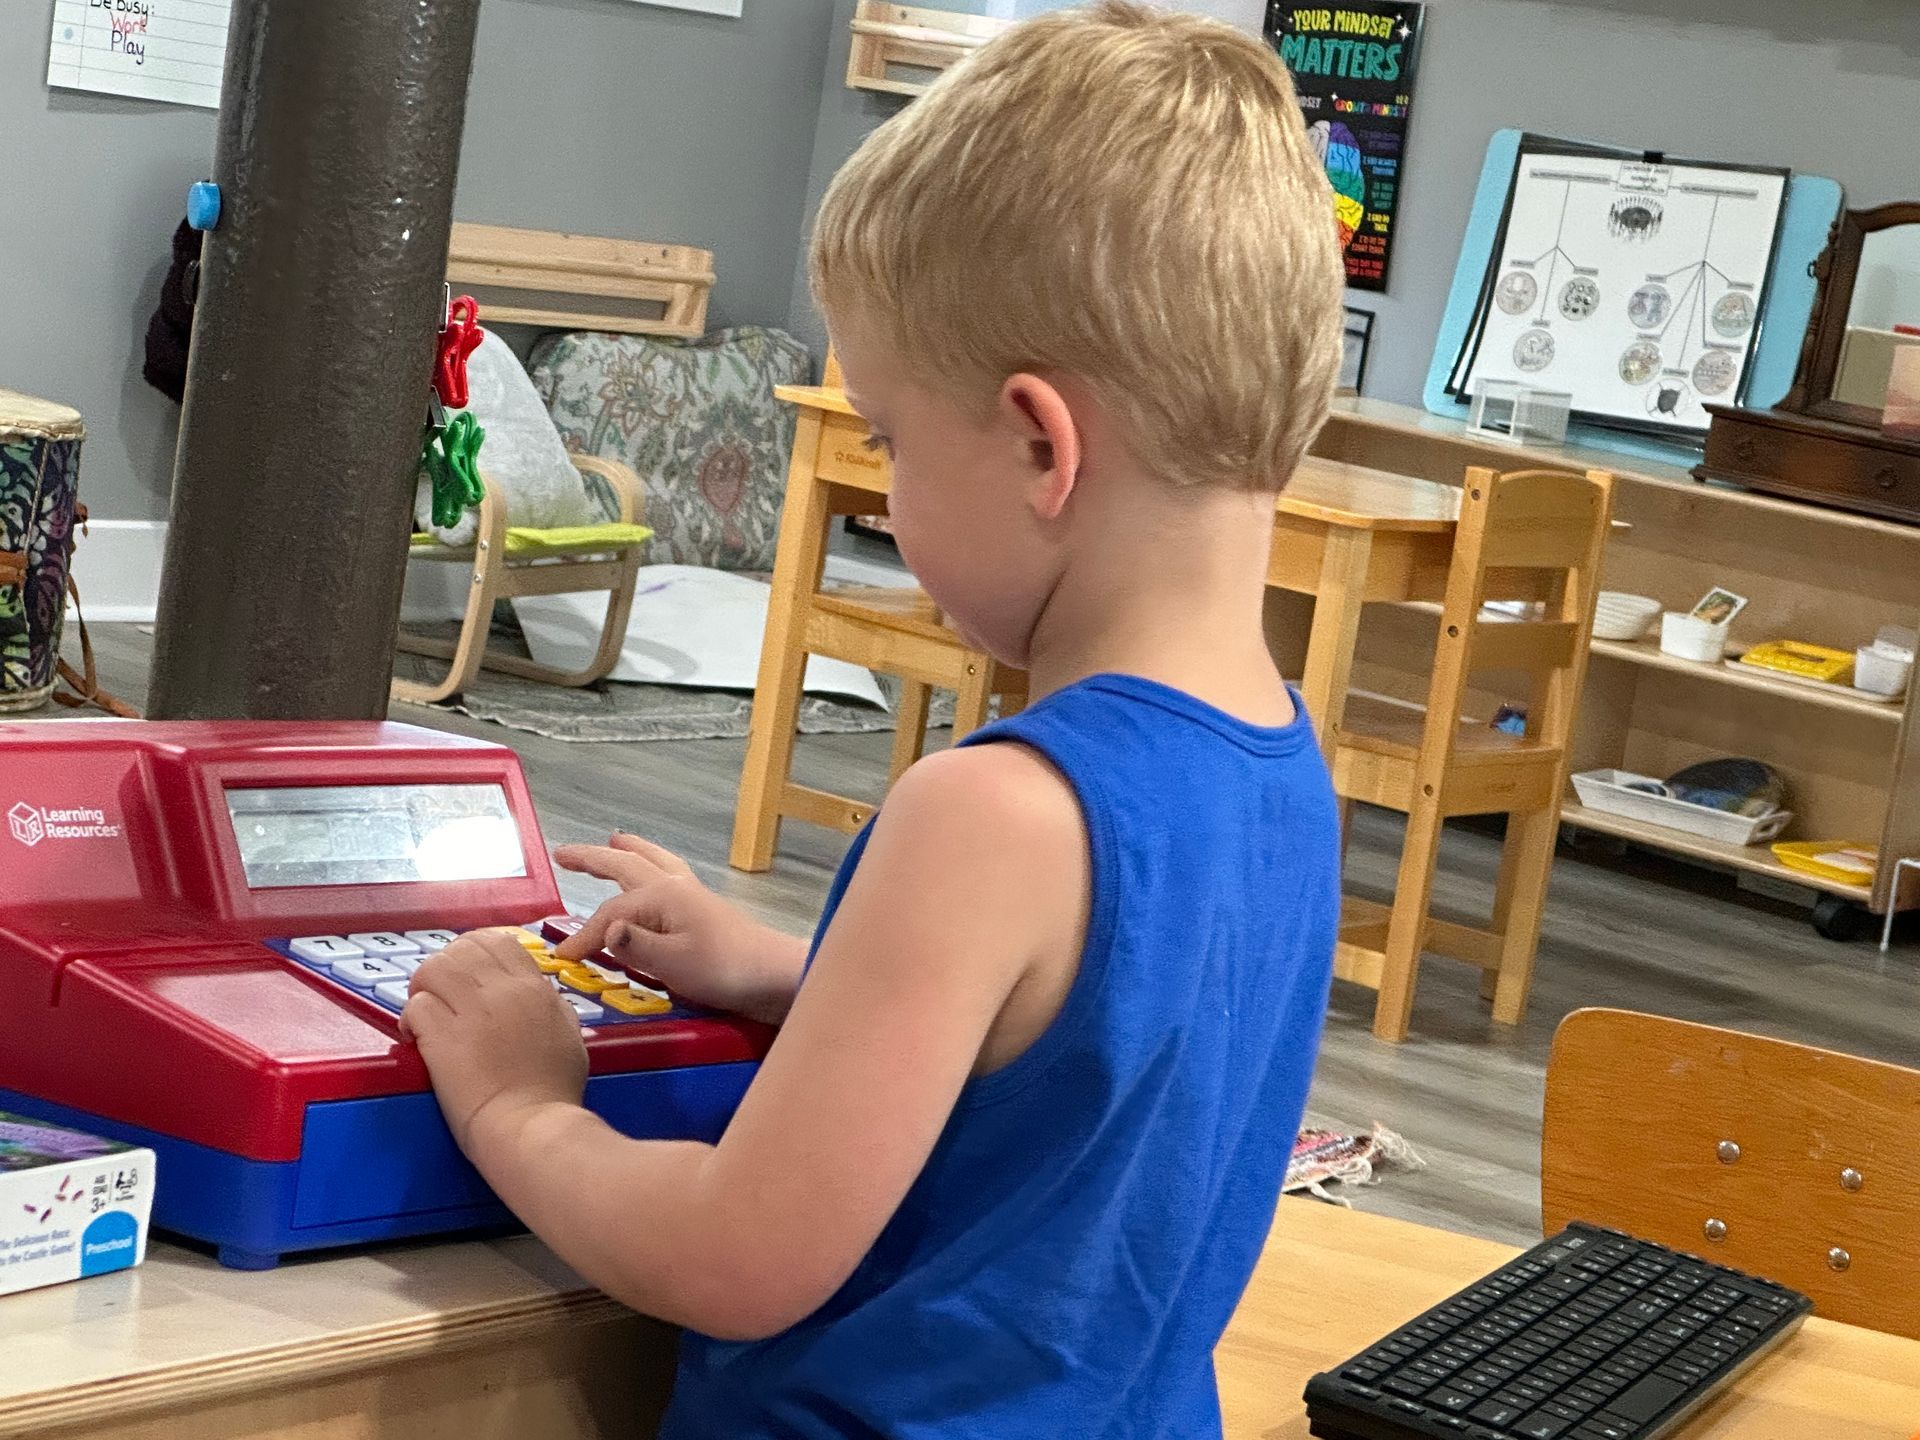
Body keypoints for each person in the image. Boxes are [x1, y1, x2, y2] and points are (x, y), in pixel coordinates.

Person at [400, 4, 1347, 1434]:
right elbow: (1085, 1058)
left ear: (1041, 444)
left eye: (891, 439)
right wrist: (795, 973)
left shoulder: (994, 810)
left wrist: (519, 1107)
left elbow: (734, 1254)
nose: (885, 495)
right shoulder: (1284, 765)